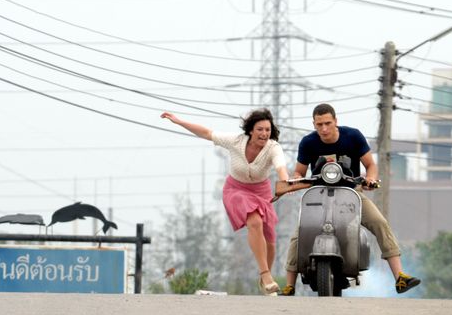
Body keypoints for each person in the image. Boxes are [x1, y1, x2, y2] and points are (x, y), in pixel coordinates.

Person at [280, 103, 421, 296]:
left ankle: (400, 277)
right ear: (313, 124)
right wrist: (295, 177)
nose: (324, 128)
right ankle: (289, 285)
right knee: (300, 232)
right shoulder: (308, 142)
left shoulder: (353, 136)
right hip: (319, 196)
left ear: (336, 121)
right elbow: (300, 171)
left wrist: (370, 178)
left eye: (328, 123)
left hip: (351, 195)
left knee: (379, 222)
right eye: (319, 124)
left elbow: (371, 165)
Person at [161, 108, 289, 295]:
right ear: (251, 130)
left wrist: (284, 182)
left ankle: (264, 279)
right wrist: (179, 122)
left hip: (261, 191)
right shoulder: (236, 141)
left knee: (270, 240)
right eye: (260, 129)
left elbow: (280, 166)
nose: (264, 134)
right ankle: (266, 274)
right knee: (254, 221)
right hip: (236, 189)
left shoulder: (273, 147)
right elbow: (206, 133)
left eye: (267, 130)